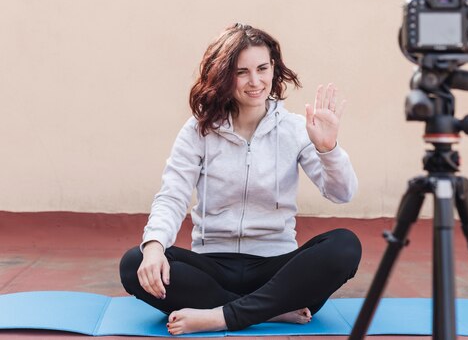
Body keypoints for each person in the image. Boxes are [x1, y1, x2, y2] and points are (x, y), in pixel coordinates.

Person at [119, 23, 361, 336]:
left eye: (262, 68)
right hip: (214, 267)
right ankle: (270, 312)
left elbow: (342, 194)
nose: (255, 81)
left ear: (274, 68)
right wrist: (153, 247)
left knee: (344, 245)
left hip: (278, 270)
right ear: (224, 75)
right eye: (241, 71)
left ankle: (219, 316)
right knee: (133, 262)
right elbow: (172, 195)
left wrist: (328, 150)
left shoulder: (296, 129)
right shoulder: (199, 130)